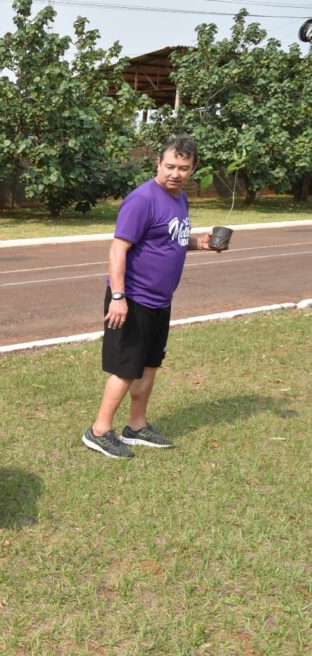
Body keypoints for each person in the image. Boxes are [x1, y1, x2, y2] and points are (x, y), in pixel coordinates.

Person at [82, 135, 226, 459]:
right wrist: (118, 297)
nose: (176, 173)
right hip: (133, 299)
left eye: (183, 168)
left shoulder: (181, 199)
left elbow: (172, 239)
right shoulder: (142, 199)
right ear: (158, 163)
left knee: (149, 366)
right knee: (125, 369)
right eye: (170, 166)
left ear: (192, 169)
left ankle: (136, 426)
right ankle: (99, 430)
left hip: (160, 301)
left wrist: (200, 244)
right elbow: (118, 248)